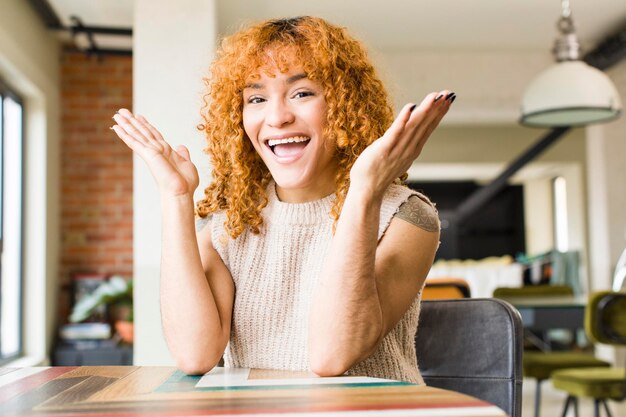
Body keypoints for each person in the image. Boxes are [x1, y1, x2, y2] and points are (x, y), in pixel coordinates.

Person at [111, 16, 454, 384]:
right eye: (256, 98)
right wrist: (176, 199)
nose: (277, 117)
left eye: (302, 93)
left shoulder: (406, 216)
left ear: (344, 105)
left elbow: (331, 355)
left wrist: (364, 191)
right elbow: (195, 354)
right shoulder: (229, 224)